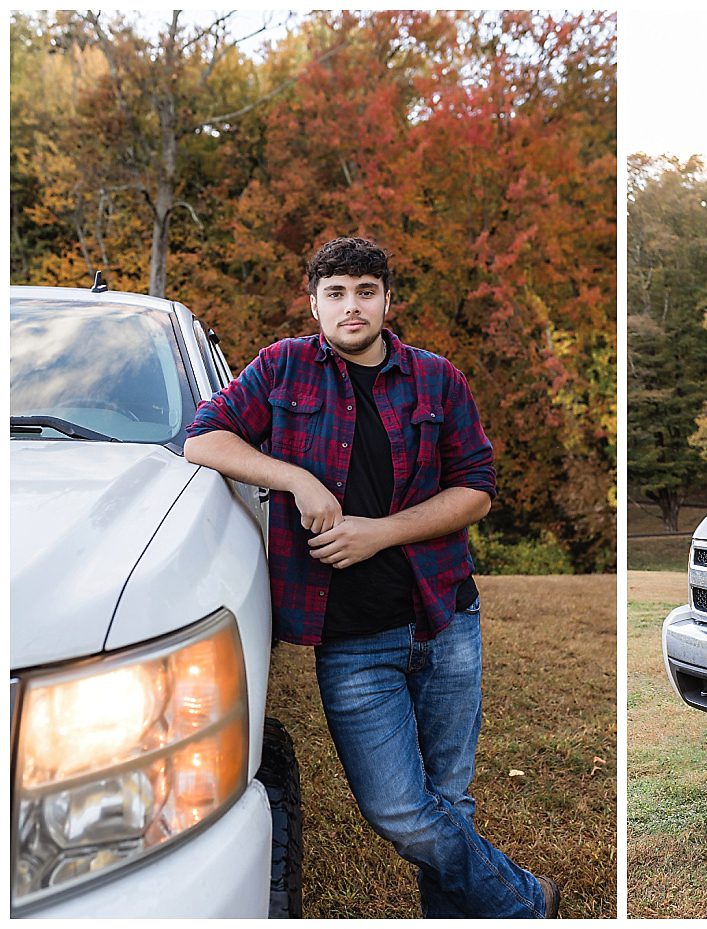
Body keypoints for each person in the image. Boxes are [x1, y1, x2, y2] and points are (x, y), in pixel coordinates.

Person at [185, 236, 557, 917]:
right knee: (400, 810)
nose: (350, 306)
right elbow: (203, 437)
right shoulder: (283, 369)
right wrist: (297, 480)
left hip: (445, 617)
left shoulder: (437, 379)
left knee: (449, 800)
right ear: (314, 303)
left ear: (388, 300)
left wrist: (377, 532)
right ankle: (524, 899)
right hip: (352, 639)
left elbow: (477, 487)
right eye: (335, 293)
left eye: (364, 291)